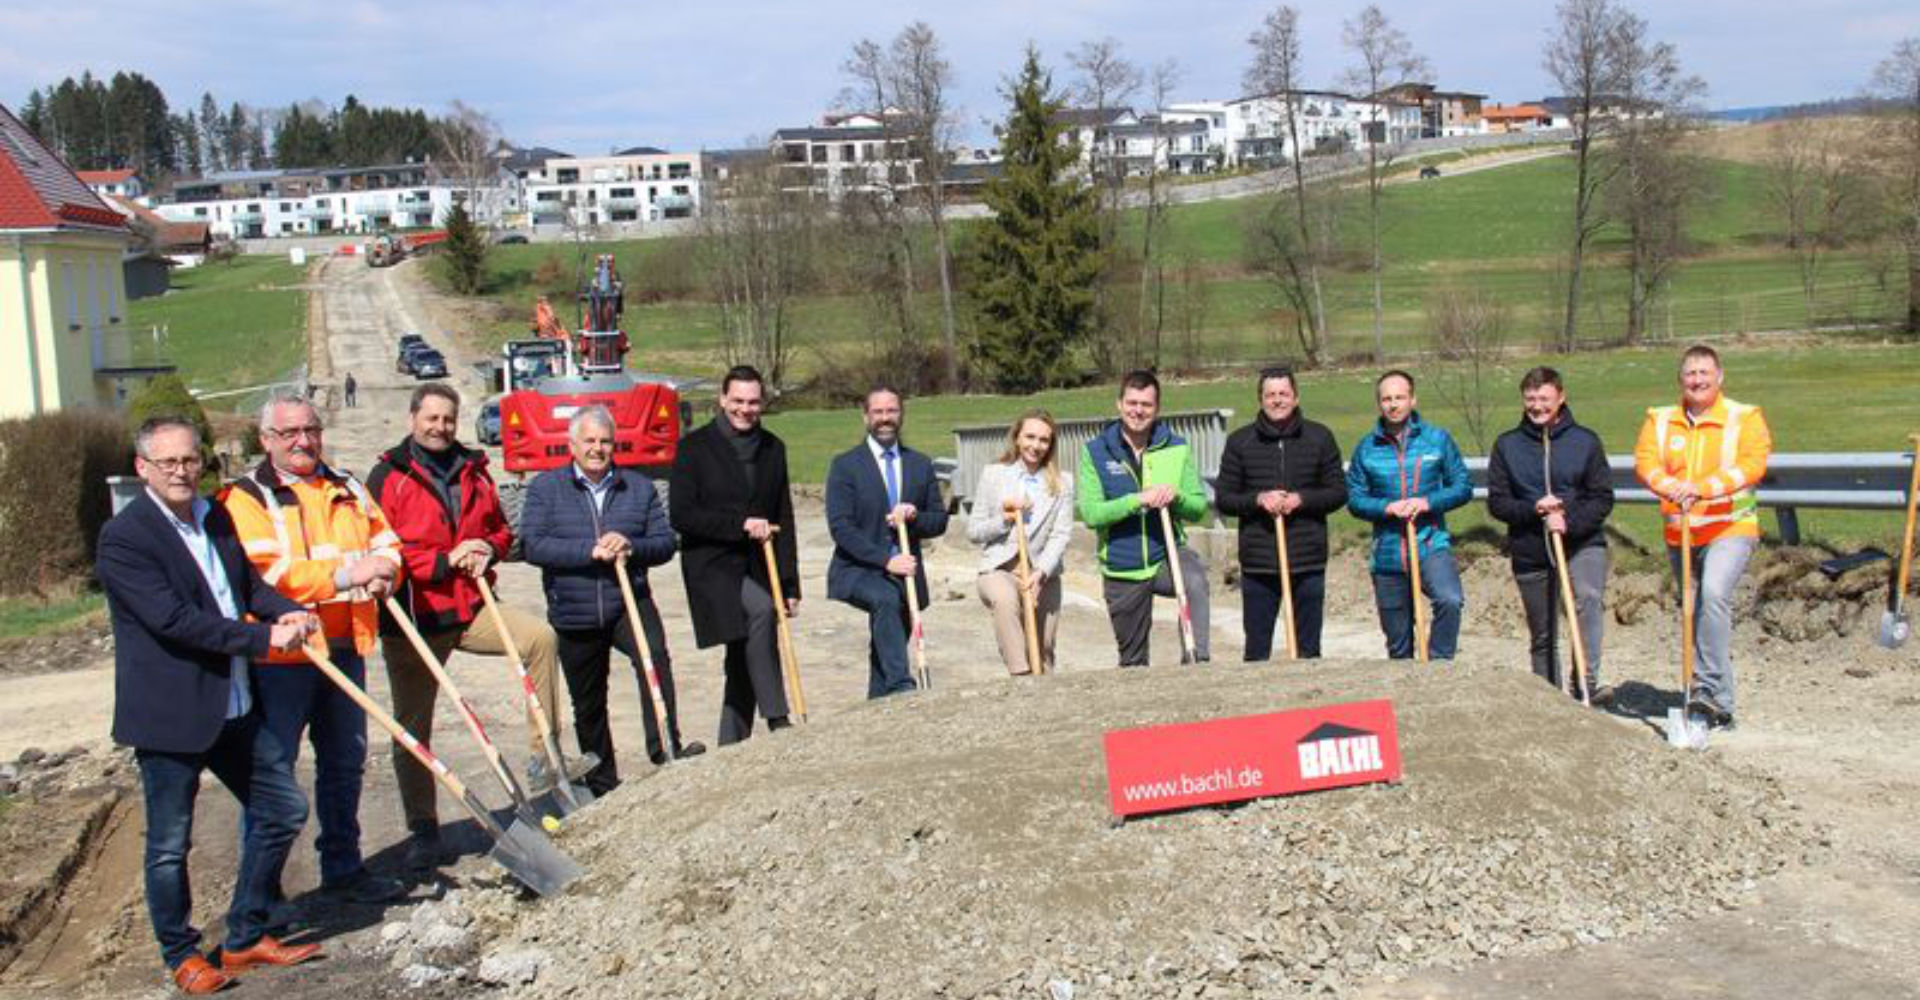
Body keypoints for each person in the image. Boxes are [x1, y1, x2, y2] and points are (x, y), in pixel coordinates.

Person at [98, 416, 323, 994]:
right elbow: (174, 621)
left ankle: (244, 934)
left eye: (190, 460)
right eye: (168, 463)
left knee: (282, 809)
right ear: (143, 467)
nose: (181, 471)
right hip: (171, 714)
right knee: (171, 846)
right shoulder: (125, 538)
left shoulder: (213, 515)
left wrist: (284, 611)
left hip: (234, 704)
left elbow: (247, 587)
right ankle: (182, 953)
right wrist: (261, 639)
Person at [219, 392, 407, 908]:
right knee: (273, 775)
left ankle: (343, 869)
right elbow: (266, 575)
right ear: (266, 440)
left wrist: (385, 573)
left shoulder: (345, 485)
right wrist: (348, 574)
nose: (303, 441)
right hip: (282, 661)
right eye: (289, 433)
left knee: (345, 762)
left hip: (346, 644)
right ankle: (261, 894)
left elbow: (385, 541)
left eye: (311, 429)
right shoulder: (247, 499)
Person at [367, 383, 564, 867]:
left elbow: (500, 529)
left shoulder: (475, 470)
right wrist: (440, 560)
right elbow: (380, 547)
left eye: (448, 419)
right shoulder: (387, 476)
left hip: (472, 607)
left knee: (539, 638)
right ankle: (423, 827)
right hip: (417, 616)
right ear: (414, 418)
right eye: (431, 418)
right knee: (413, 724)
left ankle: (546, 770)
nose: (440, 428)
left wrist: (487, 549)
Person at [521, 406, 704, 793]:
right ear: (572, 445)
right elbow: (534, 545)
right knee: (588, 700)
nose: (598, 449)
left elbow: (666, 543)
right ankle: (602, 780)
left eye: (605, 441)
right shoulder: (545, 489)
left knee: (654, 660)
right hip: (575, 608)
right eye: (589, 441)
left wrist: (631, 545)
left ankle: (665, 748)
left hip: (628, 601)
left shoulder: (637, 487)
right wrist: (589, 551)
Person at [1634, 344, 1772, 729]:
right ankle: (1719, 703)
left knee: (1713, 595)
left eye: (1704, 373)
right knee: (1694, 609)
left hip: (1729, 526)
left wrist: (1705, 488)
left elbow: (1753, 464)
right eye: (1690, 374)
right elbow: (1645, 462)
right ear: (1681, 379)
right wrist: (1670, 487)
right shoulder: (1660, 420)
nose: (1697, 380)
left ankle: (1707, 687)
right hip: (1681, 530)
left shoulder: (1745, 417)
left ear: (1719, 376)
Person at [670, 365, 800, 743]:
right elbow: (683, 515)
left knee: (742, 653)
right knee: (760, 611)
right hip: (711, 567)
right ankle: (777, 717)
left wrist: (790, 584)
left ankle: (731, 742)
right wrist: (740, 525)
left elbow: (784, 516)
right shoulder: (694, 449)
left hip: (759, 565)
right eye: (738, 401)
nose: (745, 409)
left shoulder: (774, 448)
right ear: (723, 399)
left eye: (753, 402)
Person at [1487, 367, 1616, 703]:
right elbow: (1498, 503)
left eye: (1544, 398)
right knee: (1542, 630)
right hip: (1530, 546)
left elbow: (1602, 497)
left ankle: (1585, 684)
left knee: (1587, 599)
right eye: (1531, 399)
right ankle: (1548, 697)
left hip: (1582, 541)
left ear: (1561, 397)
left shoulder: (1585, 441)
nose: (1537, 406)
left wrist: (1567, 521)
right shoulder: (1507, 445)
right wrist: (1534, 508)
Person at [1077, 369, 1212, 666]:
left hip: (1167, 554)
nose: (1138, 411)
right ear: (1119, 404)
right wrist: (1136, 500)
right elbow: (1090, 513)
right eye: (1132, 402)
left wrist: (1175, 497)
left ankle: (1197, 661)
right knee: (1133, 662)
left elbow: (1198, 506)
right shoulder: (1096, 452)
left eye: (1146, 405)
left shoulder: (1175, 446)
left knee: (1195, 580)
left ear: (1157, 408)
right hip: (1122, 566)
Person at [1215, 366, 1347, 660]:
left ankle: (1308, 701)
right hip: (1259, 563)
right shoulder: (1240, 442)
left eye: (1283, 394)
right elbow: (1224, 498)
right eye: (1270, 394)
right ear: (1260, 399)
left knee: (1308, 649)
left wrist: (1303, 499)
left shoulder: (1320, 437)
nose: (1277, 400)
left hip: (1307, 559)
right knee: (1257, 650)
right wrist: (1258, 499)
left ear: (1295, 397)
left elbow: (1338, 492)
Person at [825, 385, 950, 696]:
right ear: (866, 416)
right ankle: (902, 688)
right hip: (858, 570)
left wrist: (914, 516)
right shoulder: (845, 466)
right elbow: (841, 528)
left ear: (901, 415)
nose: (885, 418)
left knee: (887, 641)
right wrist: (885, 560)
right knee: (885, 600)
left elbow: (939, 520)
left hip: (906, 572)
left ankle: (878, 707)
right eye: (878, 412)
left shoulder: (920, 464)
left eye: (891, 411)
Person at [1346, 370, 1472, 660]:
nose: (1393, 404)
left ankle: (1439, 664)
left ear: (1412, 400)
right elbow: (1354, 499)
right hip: (1388, 552)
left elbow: (1462, 486)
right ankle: (1408, 693)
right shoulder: (1366, 449)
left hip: (1430, 544)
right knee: (1398, 644)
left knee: (1450, 600)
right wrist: (1385, 507)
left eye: (1399, 397)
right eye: (1386, 399)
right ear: (1379, 404)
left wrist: (1427, 502)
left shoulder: (1437, 440)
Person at [966, 410, 1075, 675]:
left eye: (1043, 440)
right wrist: (1004, 519)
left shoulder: (1063, 483)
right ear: (1016, 438)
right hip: (999, 568)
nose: (1035, 446)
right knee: (1005, 601)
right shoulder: (994, 474)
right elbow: (974, 531)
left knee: (1043, 648)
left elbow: (1061, 534)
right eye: (1030, 437)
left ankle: (1042, 692)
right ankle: (1020, 676)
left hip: (1042, 572)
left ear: (1050, 445)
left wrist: (1041, 573)